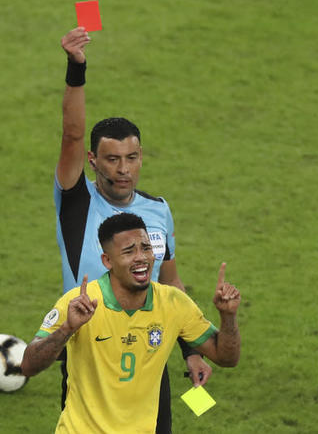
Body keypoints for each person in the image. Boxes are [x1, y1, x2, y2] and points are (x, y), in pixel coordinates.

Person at [55, 27, 212, 433]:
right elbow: (71, 133)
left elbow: (171, 284)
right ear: (92, 160)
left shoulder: (158, 211)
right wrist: (77, 68)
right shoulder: (77, 201)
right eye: (111, 159)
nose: (123, 169)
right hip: (91, 347)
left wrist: (191, 350)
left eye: (132, 157)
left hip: (149, 348)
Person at [22, 213, 241, 433]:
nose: (141, 257)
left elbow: (226, 358)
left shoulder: (174, 303)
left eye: (146, 248)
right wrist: (67, 329)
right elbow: (28, 365)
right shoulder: (79, 303)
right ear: (108, 261)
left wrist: (228, 317)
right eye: (129, 251)